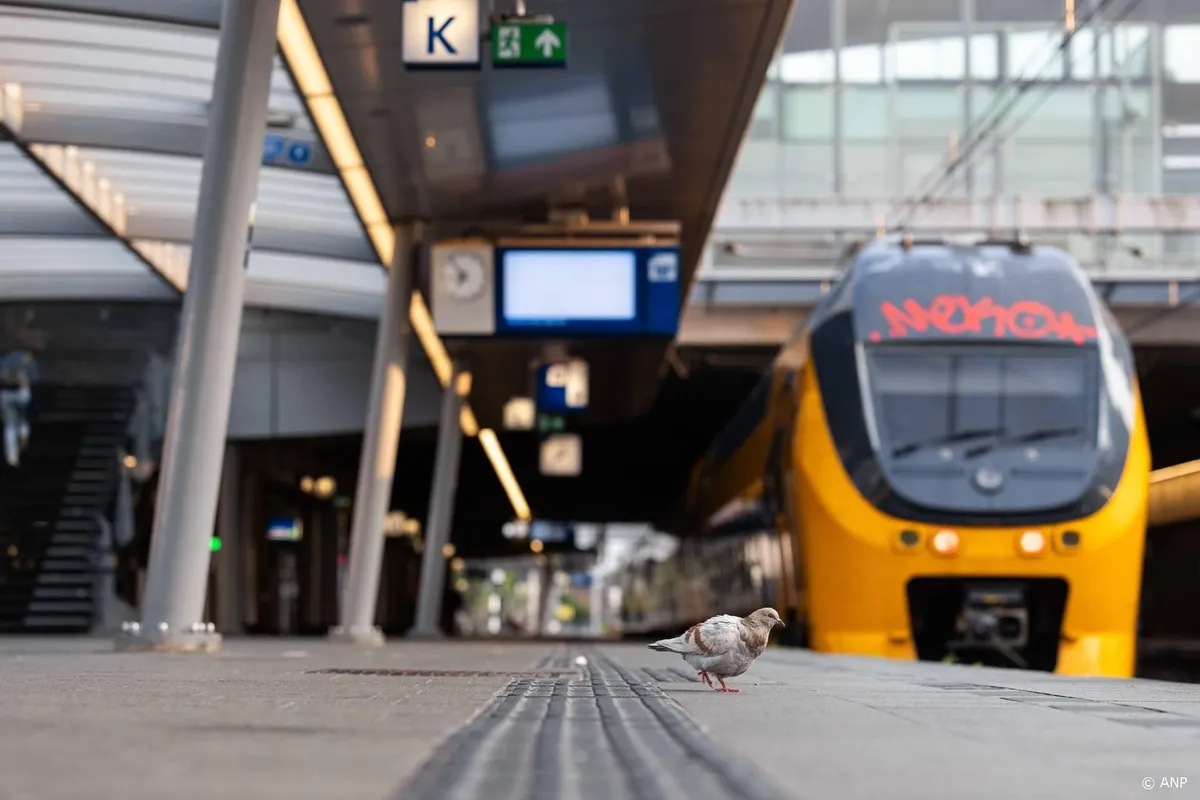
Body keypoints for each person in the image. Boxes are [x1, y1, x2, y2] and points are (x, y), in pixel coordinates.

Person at [0, 349, 37, 467]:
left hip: (6, 392)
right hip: (22, 391)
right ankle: (23, 432)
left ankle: (12, 454)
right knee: (23, 417)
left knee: (10, 425)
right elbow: (34, 377)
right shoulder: (25, 358)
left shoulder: (3, 360)